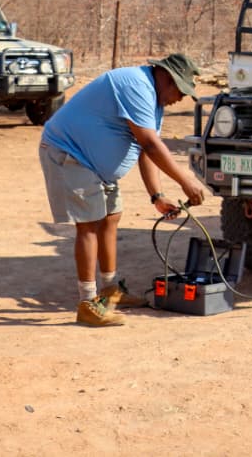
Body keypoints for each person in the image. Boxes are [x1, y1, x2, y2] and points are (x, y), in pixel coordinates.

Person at [39, 53, 208, 326]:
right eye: (180, 91)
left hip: (93, 165)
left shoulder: (153, 100)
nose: (180, 99)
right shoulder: (136, 85)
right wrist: (185, 181)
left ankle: (110, 289)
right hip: (70, 153)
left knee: (110, 217)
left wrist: (157, 196)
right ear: (167, 78)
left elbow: (146, 149)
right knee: (88, 224)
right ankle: (88, 303)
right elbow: (150, 144)